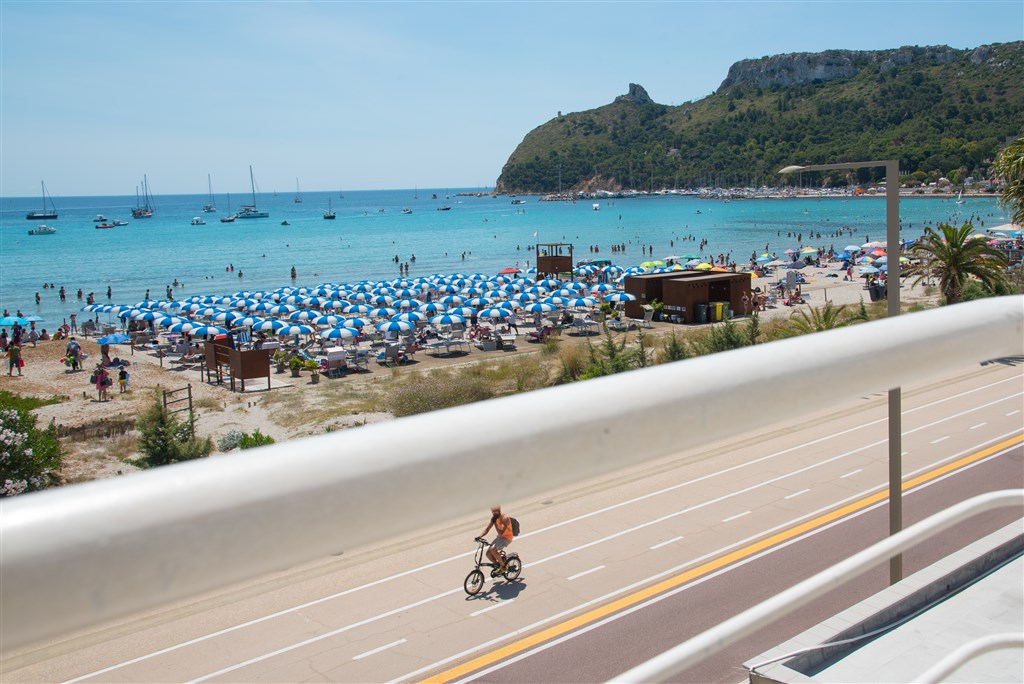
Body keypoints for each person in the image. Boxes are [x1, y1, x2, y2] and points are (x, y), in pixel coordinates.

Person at [479, 505, 514, 577]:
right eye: (493, 512)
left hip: (507, 538)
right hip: (500, 537)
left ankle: (503, 567)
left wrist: (495, 523)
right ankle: (498, 565)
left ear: (499, 510)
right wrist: (479, 536)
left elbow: (501, 532)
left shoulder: (505, 518)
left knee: (492, 549)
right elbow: (487, 529)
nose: (494, 513)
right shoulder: (494, 518)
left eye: (495, 511)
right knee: (488, 553)